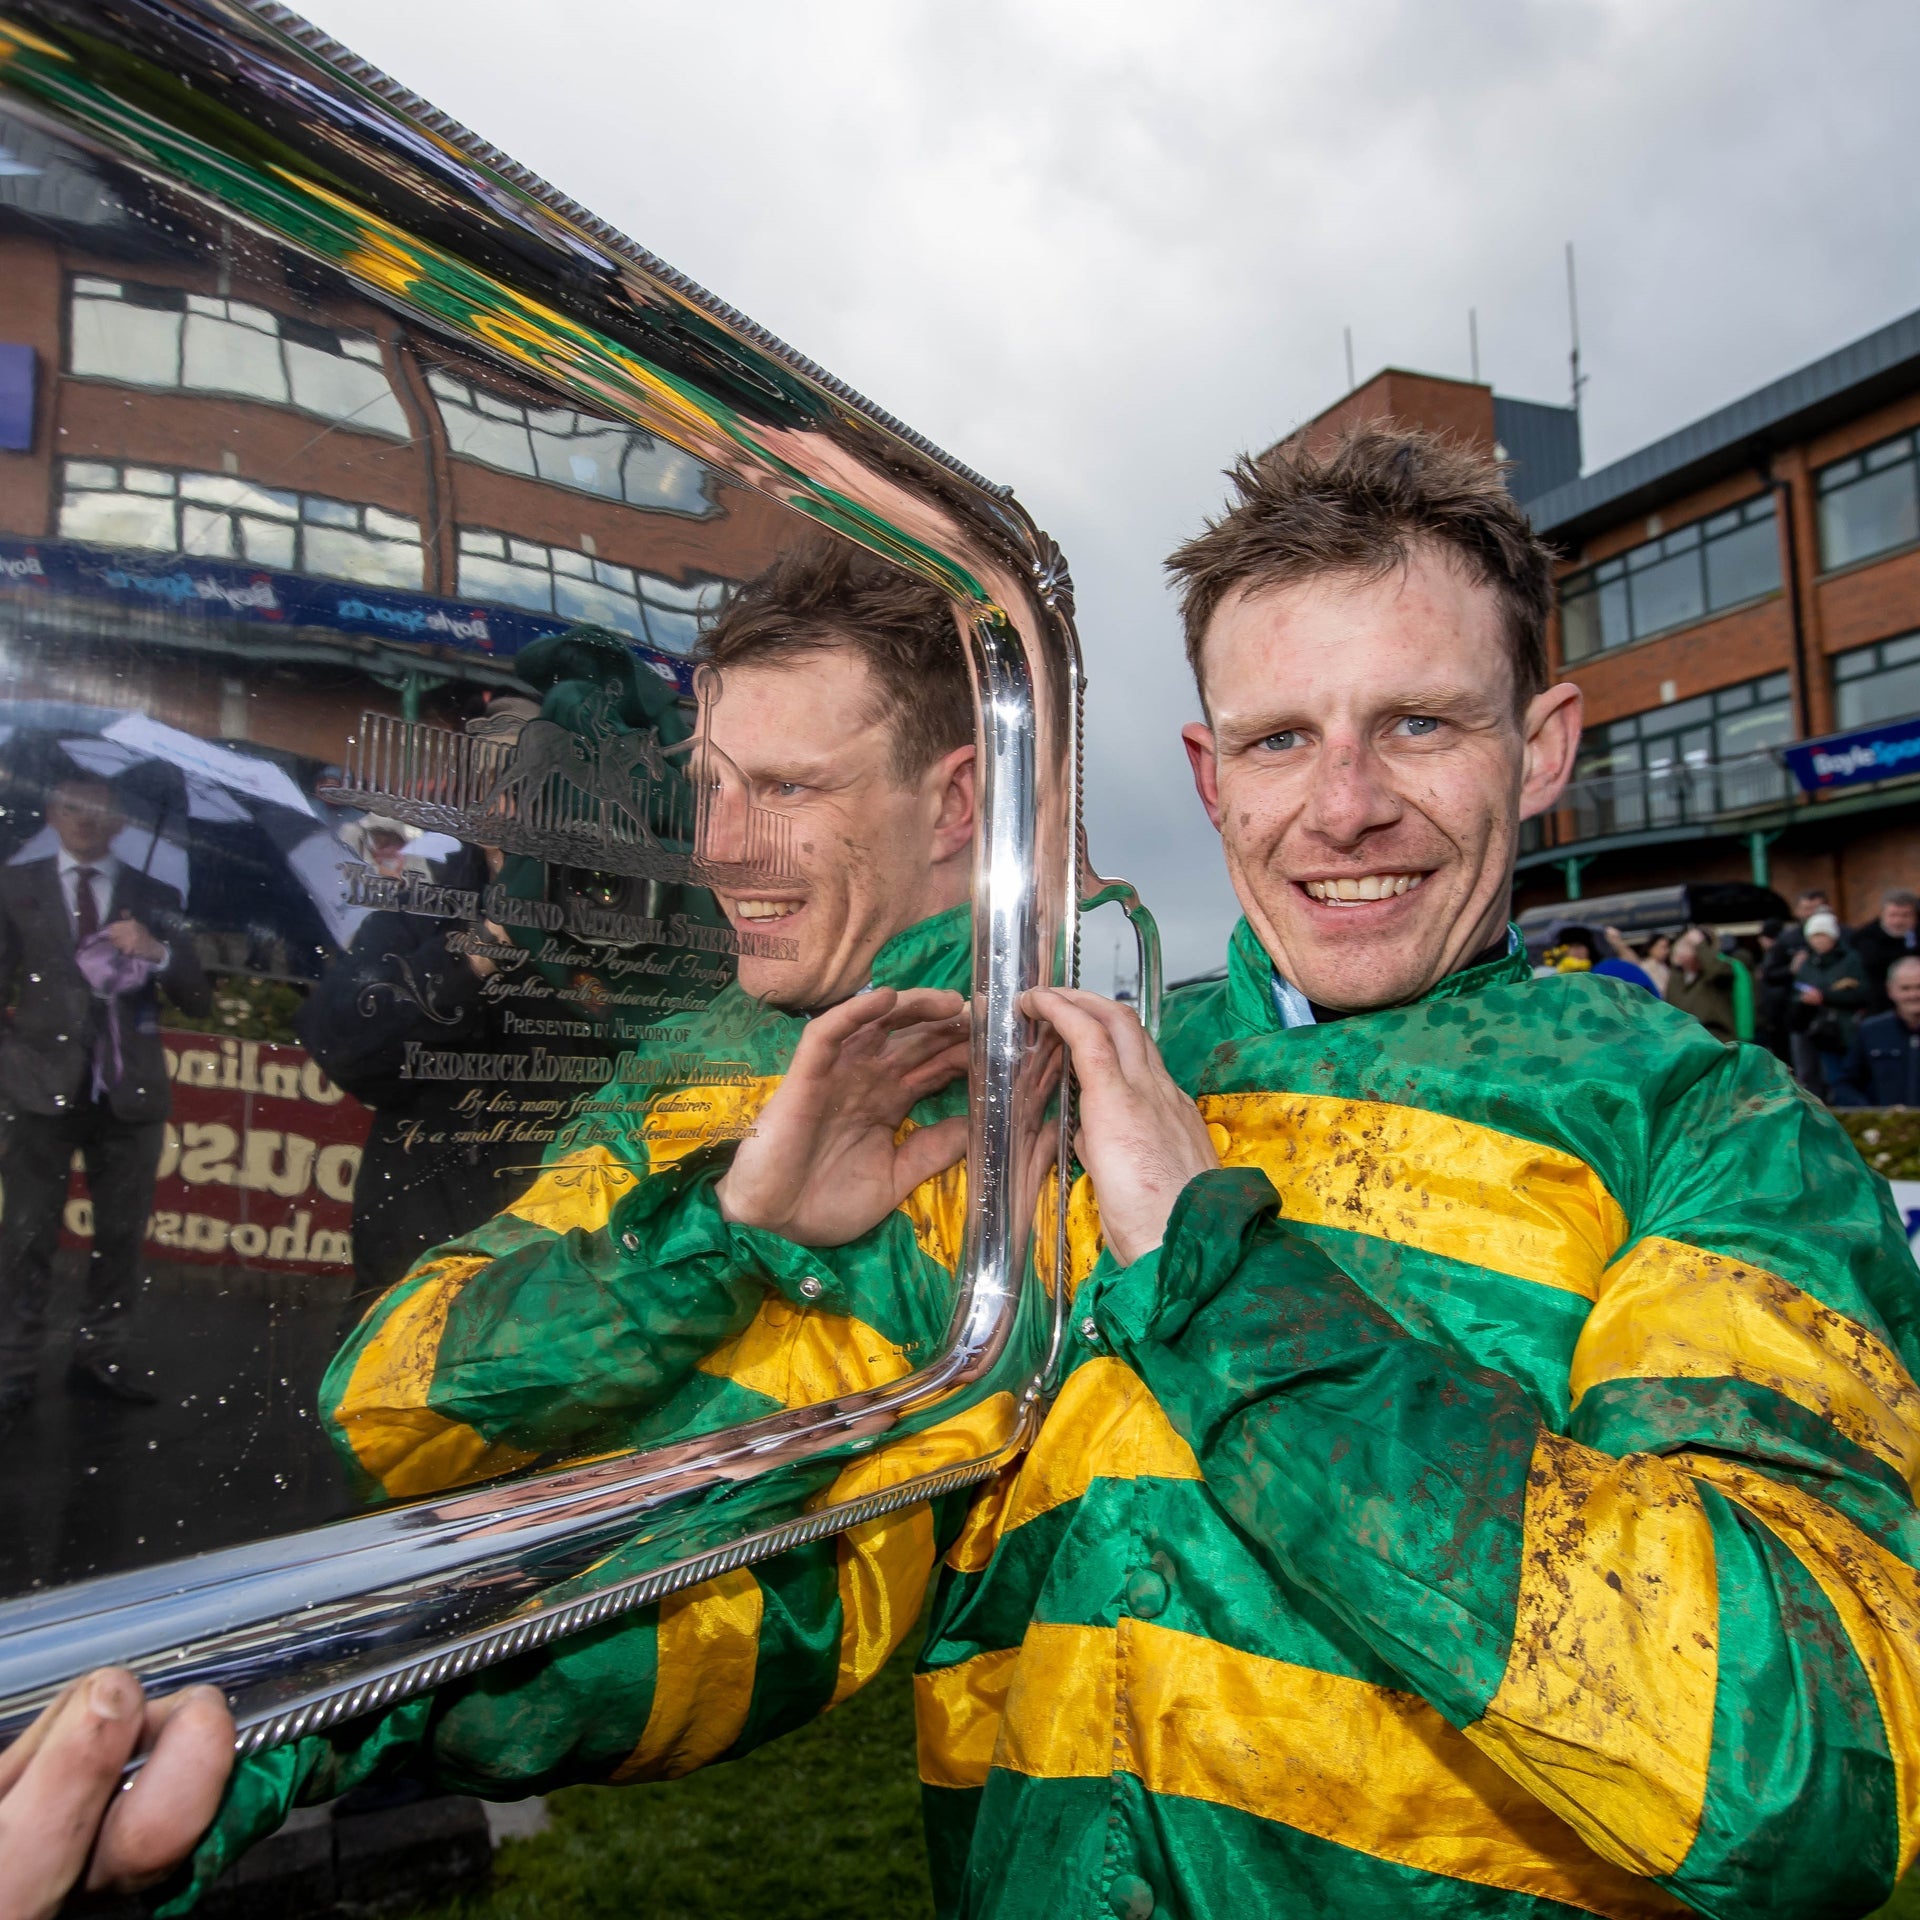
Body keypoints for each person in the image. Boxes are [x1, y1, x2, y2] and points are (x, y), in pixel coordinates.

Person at [22, 429, 1920, 1920]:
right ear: (1209, 767)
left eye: (1416, 723)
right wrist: (283, 1724)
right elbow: (792, 1562)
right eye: (1279, 739)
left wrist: (1218, 1272)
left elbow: (1805, 1763)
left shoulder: (1718, 1134)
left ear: (1546, 749)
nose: (1341, 805)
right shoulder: (1075, 1099)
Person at [314, 539, 982, 1500]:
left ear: (954, 803)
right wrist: (719, 1229)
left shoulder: (1096, 1078)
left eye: (787, 787)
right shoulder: (691, 1060)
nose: (719, 851)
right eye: (711, 788)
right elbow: (383, 1412)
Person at [0, 774, 210, 1434]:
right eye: (70, 805)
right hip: (37, 1088)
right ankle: (12, 1366)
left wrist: (157, 950)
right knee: (27, 1236)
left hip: (129, 1093)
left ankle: (100, 1358)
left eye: (99, 808)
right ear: (50, 812)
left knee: (120, 1236)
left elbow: (199, 995)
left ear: (120, 820)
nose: (85, 818)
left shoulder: (157, 896)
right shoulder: (14, 884)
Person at [1792, 909, 1870, 1098]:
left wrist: (1826, 996)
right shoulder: (1808, 963)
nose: (1818, 941)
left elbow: (1862, 992)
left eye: (1822, 935)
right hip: (1819, 1030)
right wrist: (1803, 999)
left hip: (1848, 1027)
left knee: (1849, 1075)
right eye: (1813, 936)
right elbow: (1796, 991)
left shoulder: (1851, 959)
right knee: (1824, 1076)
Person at [1829, 952, 1920, 1107]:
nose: (1913, 995)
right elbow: (1845, 1086)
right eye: (1905, 988)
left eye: (1919, 987)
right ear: (1890, 990)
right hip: (1886, 1127)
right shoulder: (1871, 1031)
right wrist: (1871, 1115)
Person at [1663, 921, 1738, 1040]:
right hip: (1690, 1044)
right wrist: (1676, 966)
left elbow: (1717, 971)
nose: (1680, 948)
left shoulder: (1721, 970)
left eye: (1688, 944)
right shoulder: (1680, 976)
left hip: (1716, 1042)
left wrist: (1700, 944)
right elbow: (1674, 1004)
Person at [1852, 886, 1920, 1015]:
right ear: (1882, 914)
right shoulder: (1864, 938)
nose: (1898, 921)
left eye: (1905, 915)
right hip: (1880, 1008)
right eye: (1893, 915)